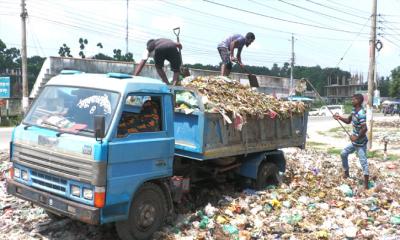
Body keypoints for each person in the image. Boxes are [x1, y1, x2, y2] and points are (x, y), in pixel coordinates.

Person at [333, 94, 369, 189]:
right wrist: (339, 117)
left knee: (363, 162)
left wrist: (356, 137)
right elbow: (349, 120)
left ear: (359, 101)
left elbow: (365, 128)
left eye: (353, 100)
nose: (352, 101)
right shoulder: (354, 111)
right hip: (354, 142)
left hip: (360, 143)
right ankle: (346, 173)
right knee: (343, 153)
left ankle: (366, 185)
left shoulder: (361, 113)